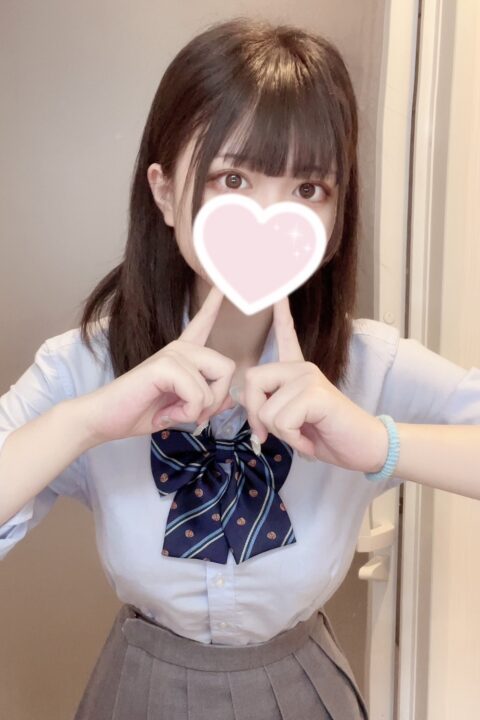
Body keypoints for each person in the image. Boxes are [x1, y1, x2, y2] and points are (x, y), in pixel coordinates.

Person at [1, 16, 479, 720]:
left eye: (309, 189)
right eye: (233, 178)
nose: (270, 214)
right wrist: (86, 423)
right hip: (139, 692)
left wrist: (379, 443)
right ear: (165, 191)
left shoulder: (368, 364)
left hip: (304, 690)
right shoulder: (84, 365)